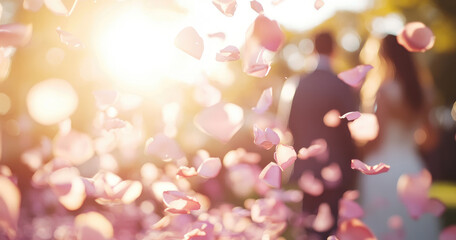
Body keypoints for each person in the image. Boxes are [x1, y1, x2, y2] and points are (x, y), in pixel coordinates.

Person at [358, 34, 441, 239]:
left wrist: (357, 148)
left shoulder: (384, 91)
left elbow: (378, 138)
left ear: (384, 56)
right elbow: (431, 140)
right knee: (414, 226)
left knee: (381, 225)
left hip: (382, 169)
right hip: (412, 166)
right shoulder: (423, 92)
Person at [288, 32, 358, 238]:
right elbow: (349, 127)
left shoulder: (298, 83)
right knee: (332, 227)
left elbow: (290, 123)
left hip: (307, 167)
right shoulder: (341, 85)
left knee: (309, 223)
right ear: (334, 50)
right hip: (335, 167)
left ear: (313, 49)